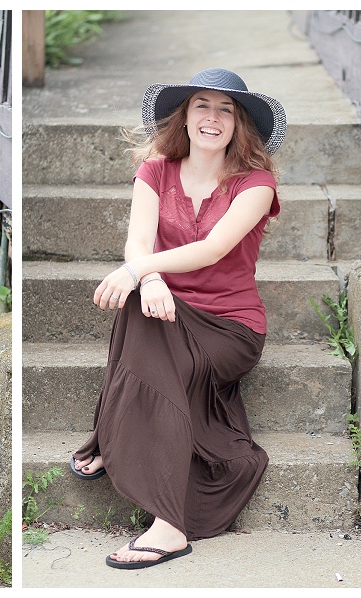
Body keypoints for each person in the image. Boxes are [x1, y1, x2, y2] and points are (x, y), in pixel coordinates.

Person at [71, 68, 287, 569]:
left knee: (143, 311)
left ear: (239, 124)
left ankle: (167, 523)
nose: (212, 118)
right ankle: (120, 445)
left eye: (225, 110)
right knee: (141, 308)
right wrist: (146, 277)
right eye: (201, 107)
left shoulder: (255, 183)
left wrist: (140, 270)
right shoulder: (155, 170)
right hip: (164, 308)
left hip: (229, 328)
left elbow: (212, 249)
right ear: (184, 118)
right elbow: (137, 241)